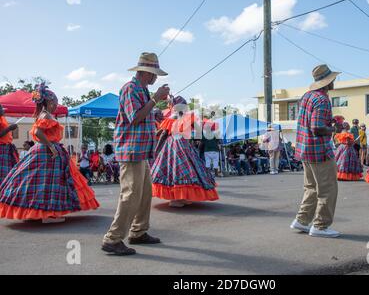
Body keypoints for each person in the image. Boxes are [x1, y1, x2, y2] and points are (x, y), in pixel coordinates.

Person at [0, 82, 99, 223]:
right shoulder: (45, 115)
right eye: (55, 101)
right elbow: (37, 132)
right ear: (50, 102)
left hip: (46, 150)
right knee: (49, 182)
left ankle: (40, 212)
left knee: (42, 182)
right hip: (47, 151)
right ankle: (48, 213)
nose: (57, 104)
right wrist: (51, 146)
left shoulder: (44, 115)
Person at [102, 52, 170, 256]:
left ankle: (138, 232)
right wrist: (156, 100)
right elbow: (135, 118)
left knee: (145, 193)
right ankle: (112, 239)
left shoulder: (141, 90)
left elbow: (143, 114)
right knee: (131, 194)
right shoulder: (130, 89)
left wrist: (154, 109)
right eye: (154, 74)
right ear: (146, 73)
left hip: (140, 151)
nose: (156, 78)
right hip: (131, 150)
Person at [290, 64, 341, 238]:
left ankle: (302, 220)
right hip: (319, 151)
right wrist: (334, 129)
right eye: (333, 79)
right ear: (328, 81)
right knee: (328, 189)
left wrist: (329, 121)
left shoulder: (307, 96)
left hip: (305, 149)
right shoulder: (323, 99)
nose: (335, 81)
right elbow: (317, 127)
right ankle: (320, 226)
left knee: (310, 187)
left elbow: (312, 120)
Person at [151, 96, 219, 208]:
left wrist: (157, 149)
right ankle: (176, 198)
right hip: (178, 146)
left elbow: (164, 134)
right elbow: (198, 131)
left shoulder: (179, 117)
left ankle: (181, 197)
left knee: (178, 170)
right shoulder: (181, 118)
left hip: (177, 145)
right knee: (180, 170)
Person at [0, 104, 19, 184]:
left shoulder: (2, 119)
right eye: (1, 109)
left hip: (7, 148)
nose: (3, 111)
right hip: (1, 149)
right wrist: (9, 128)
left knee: (9, 174)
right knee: (3, 175)